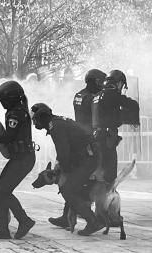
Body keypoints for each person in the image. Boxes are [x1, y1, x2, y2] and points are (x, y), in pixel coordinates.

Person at [31, 103, 104, 236]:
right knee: (69, 185)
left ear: (42, 117)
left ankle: (93, 221)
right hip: (84, 155)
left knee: (68, 189)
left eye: (35, 118)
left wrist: (63, 169)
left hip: (88, 157)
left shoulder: (56, 127)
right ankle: (66, 218)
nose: (34, 121)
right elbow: (65, 151)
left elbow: (63, 152)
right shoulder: (56, 123)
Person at [49, 69, 106, 228]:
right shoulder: (94, 98)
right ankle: (94, 217)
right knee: (83, 182)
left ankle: (67, 216)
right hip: (88, 142)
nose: (102, 85)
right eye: (100, 81)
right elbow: (97, 120)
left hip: (77, 140)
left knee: (72, 180)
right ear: (94, 81)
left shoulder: (78, 95)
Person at [0, 81, 36, 239]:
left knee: (2, 191)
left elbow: (8, 137)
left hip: (22, 159)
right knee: (1, 191)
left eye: (3, 99)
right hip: (22, 157)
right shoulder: (19, 110)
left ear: (11, 99)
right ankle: (4, 228)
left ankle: (22, 221)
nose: (1, 103)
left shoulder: (15, 114)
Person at [91, 70, 139, 183]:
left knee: (99, 168)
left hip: (96, 136)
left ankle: (99, 194)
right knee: (109, 172)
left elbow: (108, 114)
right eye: (121, 85)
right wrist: (133, 120)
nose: (121, 88)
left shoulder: (97, 95)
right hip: (107, 138)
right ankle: (107, 195)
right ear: (118, 83)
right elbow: (131, 104)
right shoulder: (112, 94)